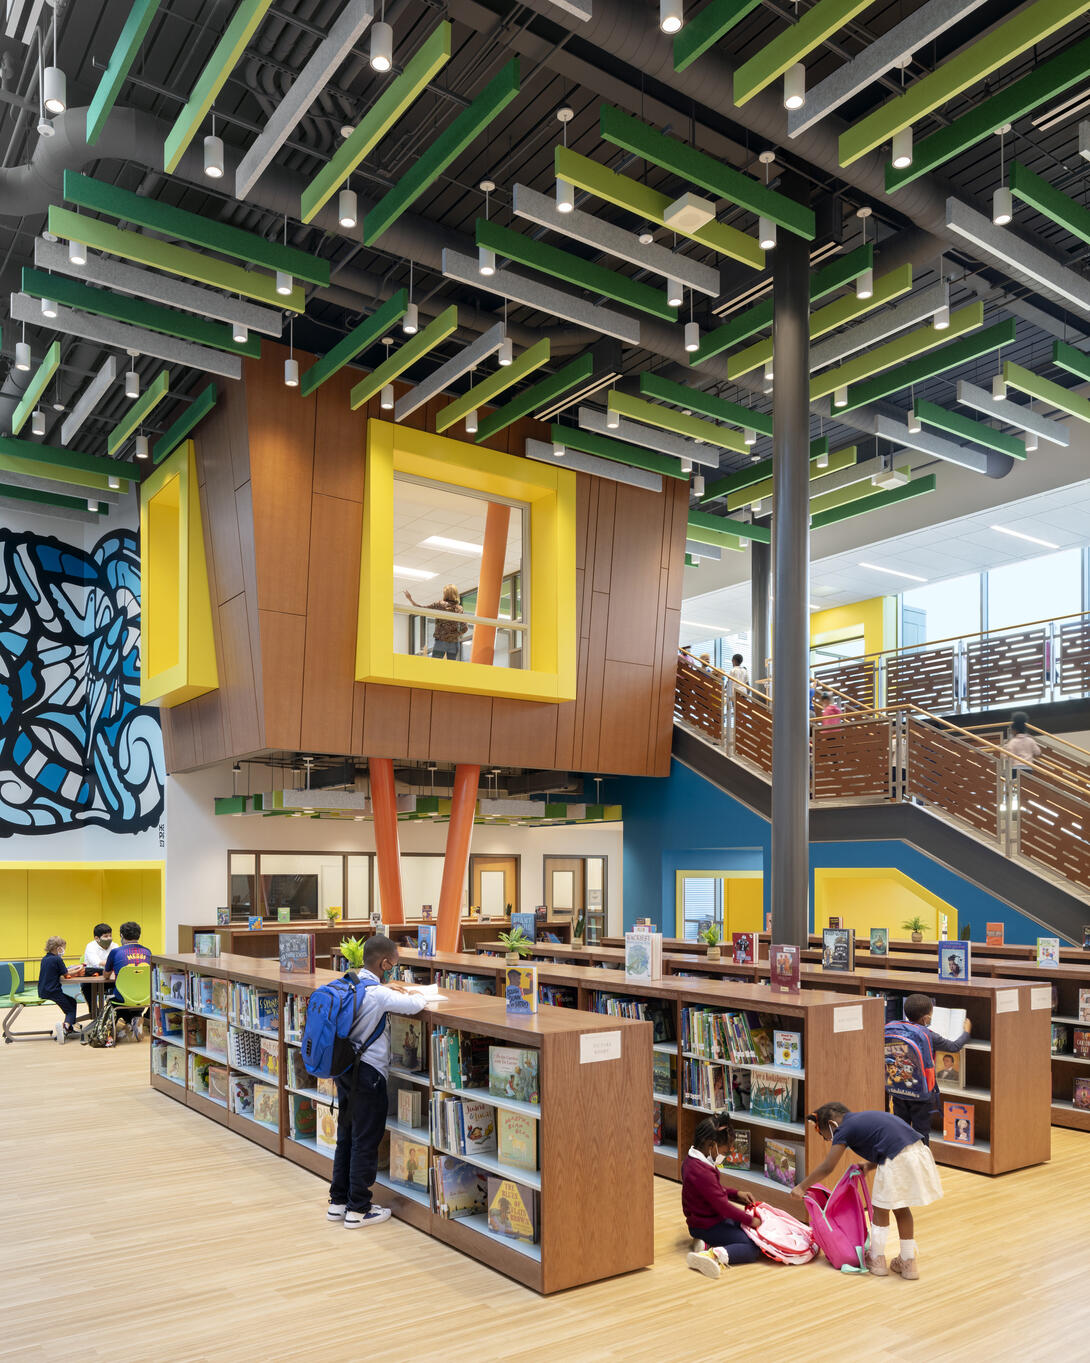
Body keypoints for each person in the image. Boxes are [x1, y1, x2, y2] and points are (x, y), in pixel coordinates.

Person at [327, 934, 431, 1228]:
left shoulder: (351, 983)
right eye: (394, 964)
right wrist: (411, 993)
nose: (394, 968)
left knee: (346, 1135)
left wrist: (387, 987)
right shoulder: (379, 994)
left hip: (345, 1070)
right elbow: (417, 1004)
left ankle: (338, 1201)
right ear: (385, 962)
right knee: (366, 1140)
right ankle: (359, 1209)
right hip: (370, 1075)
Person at [792, 1101, 942, 1280]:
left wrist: (802, 1186)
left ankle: (876, 1258)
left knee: (880, 1209)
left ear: (832, 1125)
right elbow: (891, 1142)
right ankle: (908, 1262)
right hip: (916, 1152)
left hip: (895, 1159)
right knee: (902, 1208)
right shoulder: (864, 1118)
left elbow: (828, 1167)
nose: (829, 1140)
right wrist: (869, 1166)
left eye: (826, 1136)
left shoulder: (843, 1129)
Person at [682, 1112, 763, 1278]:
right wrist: (750, 1220)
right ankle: (712, 1256)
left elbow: (712, 1192)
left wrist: (736, 1194)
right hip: (707, 1224)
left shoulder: (693, 1161)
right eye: (727, 1148)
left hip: (704, 1221)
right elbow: (723, 1206)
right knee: (753, 1246)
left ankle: (704, 1244)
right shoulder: (702, 1171)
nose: (729, 1151)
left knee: (744, 1230)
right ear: (712, 1145)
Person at [890, 993, 971, 1142]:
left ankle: (903, 1163)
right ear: (926, 1018)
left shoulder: (894, 1029)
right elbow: (954, 1047)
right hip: (921, 1094)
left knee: (900, 1132)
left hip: (899, 1090)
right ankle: (922, 1163)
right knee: (921, 1134)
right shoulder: (929, 1035)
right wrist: (966, 1032)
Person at [105, 921, 153, 1041]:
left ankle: (113, 1030)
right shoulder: (148, 952)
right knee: (135, 997)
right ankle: (136, 1017)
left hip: (122, 997)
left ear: (121, 936)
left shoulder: (115, 952)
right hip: (145, 996)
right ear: (139, 935)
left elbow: (106, 975)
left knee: (114, 999)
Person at [404, 584, 467, 660]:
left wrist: (410, 599)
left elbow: (422, 610)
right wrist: (454, 634)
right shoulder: (459, 608)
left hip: (441, 640)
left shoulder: (439, 604)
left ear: (445, 594)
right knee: (451, 668)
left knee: (435, 665)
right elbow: (465, 628)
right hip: (453, 642)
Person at [37, 937, 81, 1044]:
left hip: (43, 990)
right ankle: (65, 1027)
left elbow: (61, 971)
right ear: (58, 948)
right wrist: (79, 969)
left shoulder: (45, 958)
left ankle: (70, 1027)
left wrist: (73, 969)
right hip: (54, 991)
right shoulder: (57, 959)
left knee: (72, 1001)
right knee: (70, 1010)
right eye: (63, 948)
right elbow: (66, 974)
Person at [81, 922, 114, 1011]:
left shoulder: (114, 945)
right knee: (86, 987)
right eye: (105, 936)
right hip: (92, 979)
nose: (109, 938)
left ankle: (111, 1012)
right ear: (97, 938)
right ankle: (94, 1012)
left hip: (109, 978)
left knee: (119, 986)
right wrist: (112, 963)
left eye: (110, 935)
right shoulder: (90, 946)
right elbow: (97, 962)